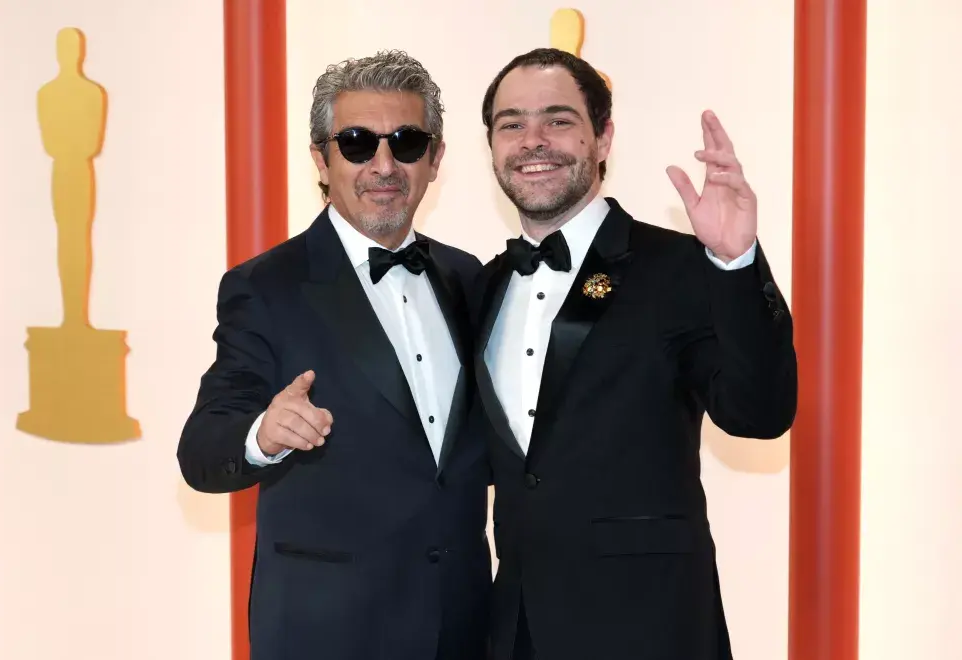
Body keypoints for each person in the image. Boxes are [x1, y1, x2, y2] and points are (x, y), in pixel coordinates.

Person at [471, 47, 797, 660]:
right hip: (517, 630)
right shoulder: (482, 287)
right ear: (491, 146)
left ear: (603, 138)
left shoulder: (678, 266)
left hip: (651, 626)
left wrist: (734, 263)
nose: (532, 140)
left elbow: (759, 414)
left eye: (559, 120)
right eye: (511, 123)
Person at [177, 50, 491, 660]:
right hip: (328, 631)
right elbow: (201, 450)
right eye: (356, 143)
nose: (383, 164)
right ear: (321, 158)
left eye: (406, 141)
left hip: (460, 621)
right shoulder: (266, 286)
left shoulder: (468, 277)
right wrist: (261, 435)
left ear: (435, 159)